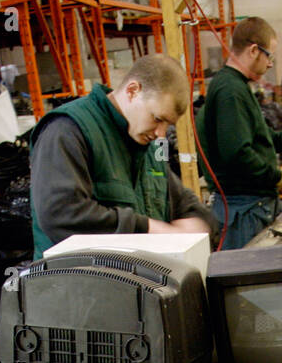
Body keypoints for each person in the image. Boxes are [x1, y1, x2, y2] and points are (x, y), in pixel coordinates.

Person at [30, 54, 216, 259]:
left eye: (168, 125)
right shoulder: (67, 131)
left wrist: (198, 221)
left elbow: (184, 203)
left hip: (137, 283)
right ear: (132, 91)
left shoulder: (148, 147)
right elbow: (62, 215)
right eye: (157, 119)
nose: (160, 134)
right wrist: (146, 228)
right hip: (77, 284)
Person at [196, 16, 282, 250]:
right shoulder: (230, 91)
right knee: (249, 281)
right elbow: (237, 153)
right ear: (254, 50)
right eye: (270, 56)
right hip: (244, 211)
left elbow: (260, 135)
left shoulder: (238, 86)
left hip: (251, 207)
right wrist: (276, 176)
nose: (271, 64)